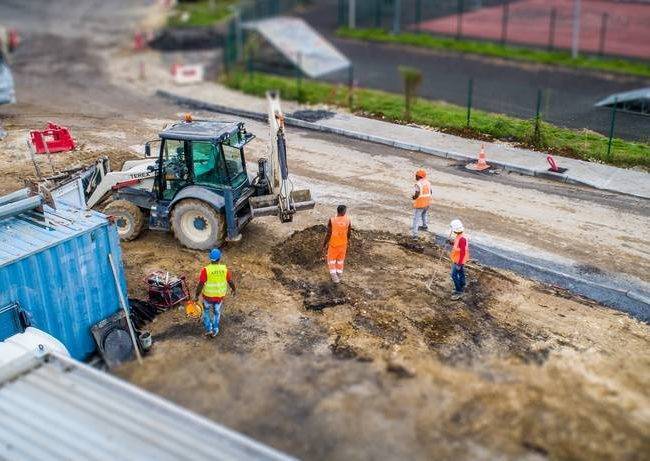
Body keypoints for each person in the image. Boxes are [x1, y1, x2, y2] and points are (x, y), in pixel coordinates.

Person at [194, 248, 236, 338]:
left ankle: (209, 329)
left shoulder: (206, 270)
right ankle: (215, 329)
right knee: (217, 312)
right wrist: (234, 289)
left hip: (208, 297)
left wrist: (196, 295)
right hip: (219, 298)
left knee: (206, 312)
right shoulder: (224, 269)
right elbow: (230, 281)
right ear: (219, 258)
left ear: (210, 258)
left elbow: (200, 284)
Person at [322, 205, 351, 284]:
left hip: (334, 245)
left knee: (331, 261)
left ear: (337, 211)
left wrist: (324, 244)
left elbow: (328, 234)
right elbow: (349, 233)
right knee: (340, 261)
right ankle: (339, 276)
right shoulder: (348, 220)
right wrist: (347, 241)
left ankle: (335, 280)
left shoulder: (332, 220)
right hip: (343, 245)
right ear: (344, 212)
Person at [448, 219, 469, 300]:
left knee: (453, 275)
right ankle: (462, 284)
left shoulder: (462, 239)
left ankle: (459, 291)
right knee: (460, 272)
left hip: (459, 260)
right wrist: (451, 243)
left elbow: (463, 252)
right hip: (458, 259)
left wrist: (459, 264)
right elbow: (458, 246)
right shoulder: (460, 236)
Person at [412, 169, 432, 238]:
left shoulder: (418, 184)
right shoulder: (428, 182)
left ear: (419, 176)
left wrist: (414, 197)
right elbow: (431, 192)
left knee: (416, 219)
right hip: (427, 202)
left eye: (416, 175)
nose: (415, 177)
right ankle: (424, 226)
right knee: (424, 214)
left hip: (421, 203)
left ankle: (415, 235)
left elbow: (417, 194)